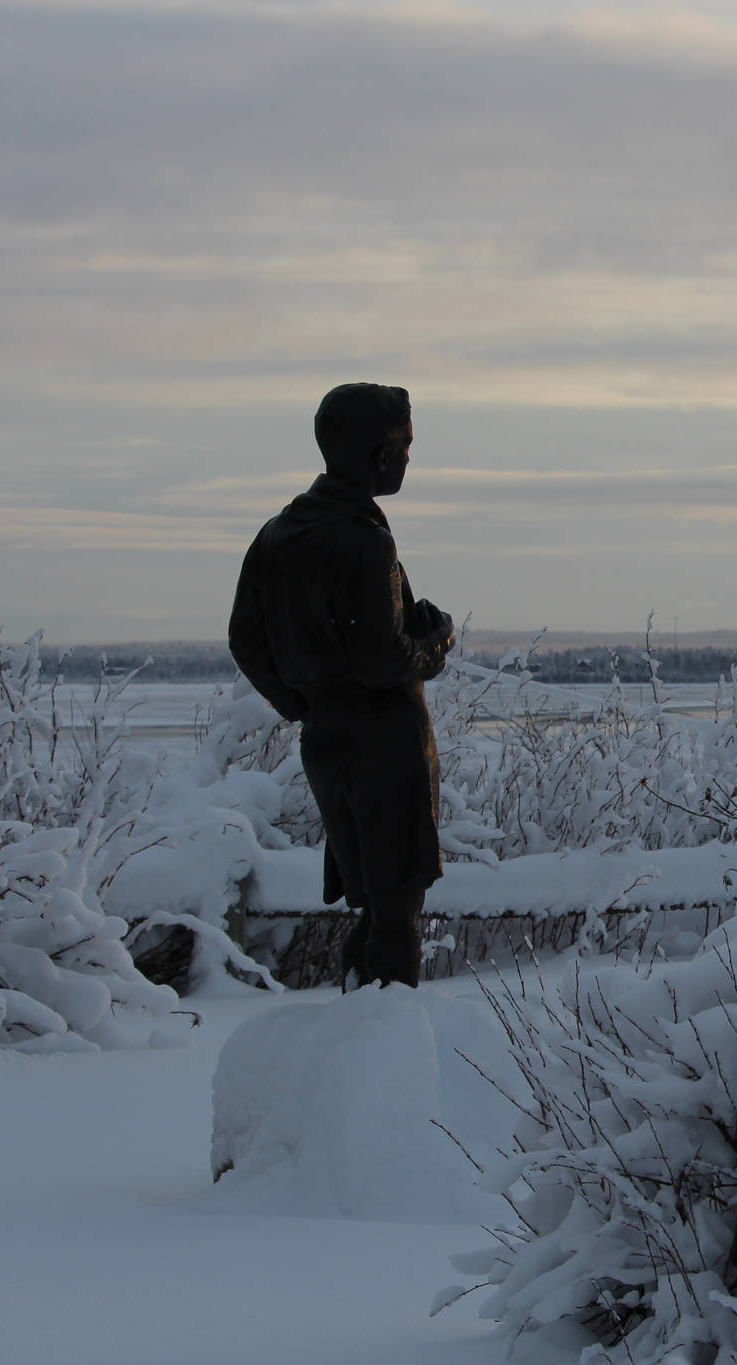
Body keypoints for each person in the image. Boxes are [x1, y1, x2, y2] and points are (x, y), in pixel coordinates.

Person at [228, 382, 455, 988]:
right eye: (405, 446)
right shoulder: (363, 539)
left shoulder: (279, 533)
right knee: (397, 915)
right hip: (385, 744)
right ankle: (387, 1050)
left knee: (376, 905)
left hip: (329, 742)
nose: (409, 458)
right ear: (378, 455)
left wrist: (307, 704)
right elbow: (383, 662)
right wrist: (435, 644)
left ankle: (360, 1027)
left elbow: (246, 641)